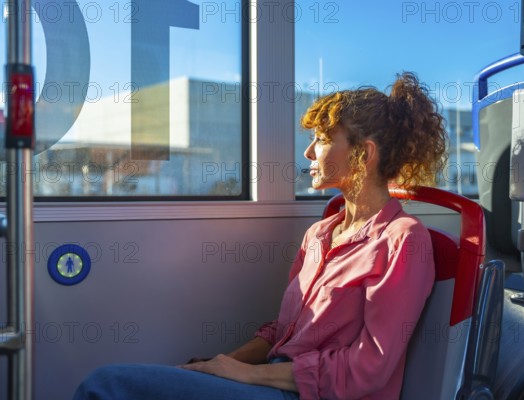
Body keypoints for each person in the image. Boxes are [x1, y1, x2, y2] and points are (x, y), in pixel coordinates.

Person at [73, 72, 447, 400]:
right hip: (272, 380)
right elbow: (283, 333)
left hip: (307, 393)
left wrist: (250, 375)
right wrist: (222, 365)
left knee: (104, 386)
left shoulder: (403, 240)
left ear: (363, 156)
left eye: (321, 138)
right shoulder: (319, 234)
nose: (308, 151)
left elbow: (369, 368)